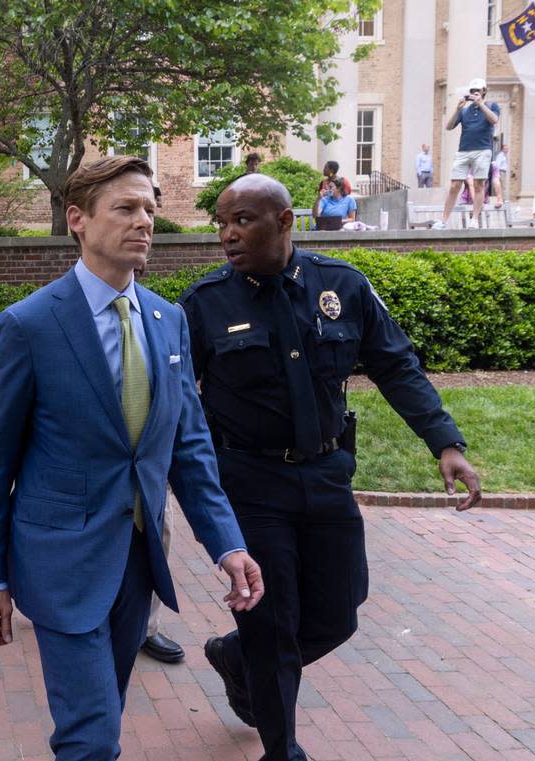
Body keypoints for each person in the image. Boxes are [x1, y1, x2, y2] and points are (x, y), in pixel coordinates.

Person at [0, 156, 264, 760]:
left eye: (150, 208)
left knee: (106, 711)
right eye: (126, 208)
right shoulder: (28, 326)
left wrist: (228, 544)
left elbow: (189, 447)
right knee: (92, 737)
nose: (144, 221)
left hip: (137, 563)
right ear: (78, 219)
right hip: (59, 563)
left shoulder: (168, 320)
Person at [180, 174, 481, 761]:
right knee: (271, 625)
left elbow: (395, 366)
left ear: (286, 220)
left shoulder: (341, 286)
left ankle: (234, 658)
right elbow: (178, 403)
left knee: (339, 613)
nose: (226, 235)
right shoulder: (205, 304)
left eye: (241, 220)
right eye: (221, 222)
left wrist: (444, 442)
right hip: (250, 483)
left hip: (325, 474)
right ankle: (281, 746)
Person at [434, 78, 500, 229]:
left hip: (482, 150)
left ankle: (474, 220)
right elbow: (449, 126)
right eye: (472, 91)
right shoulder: (465, 111)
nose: (474, 93)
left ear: (484, 91)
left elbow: (494, 119)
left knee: (479, 184)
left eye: (477, 91)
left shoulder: (492, 106)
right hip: (464, 150)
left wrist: (481, 104)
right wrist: (457, 109)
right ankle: (443, 221)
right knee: (454, 185)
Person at [492, 144, 509, 209]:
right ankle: (504, 200)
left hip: (503, 172)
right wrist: (497, 174)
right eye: (505, 149)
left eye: (507, 149)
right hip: (501, 171)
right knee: (503, 186)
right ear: (502, 149)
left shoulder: (504, 156)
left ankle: (503, 199)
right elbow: (497, 164)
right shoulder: (500, 155)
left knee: (503, 186)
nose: (507, 150)